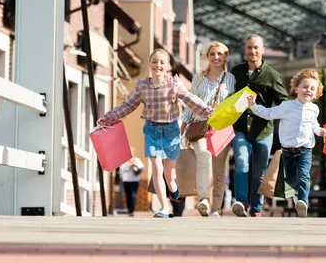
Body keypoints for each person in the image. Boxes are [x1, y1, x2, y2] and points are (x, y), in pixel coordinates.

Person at [98, 48, 213, 218]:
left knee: (170, 174)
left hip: (171, 131)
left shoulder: (174, 84)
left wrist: (206, 111)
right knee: (157, 169)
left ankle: (173, 187)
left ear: (167, 66)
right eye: (154, 61)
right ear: (150, 64)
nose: (158, 65)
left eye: (162, 62)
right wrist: (108, 118)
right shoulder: (142, 86)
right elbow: (127, 105)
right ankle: (164, 208)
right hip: (151, 130)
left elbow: (189, 98)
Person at [246, 68, 326, 218]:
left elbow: (314, 125)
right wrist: (253, 106)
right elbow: (268, 113)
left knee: (304, 176)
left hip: (305, 149)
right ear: (297, 89)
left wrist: (320, 131)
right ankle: (297, 194)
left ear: (316, 94)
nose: (308, 90)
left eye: (312, 88)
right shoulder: (286, 106)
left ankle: (302, 201)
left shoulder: (314, 109)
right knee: (290, 179)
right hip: (288, 151)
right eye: (305, 87)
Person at [230, 35, 288, 217]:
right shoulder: (236, 72)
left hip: (264, 130)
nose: (252, 51)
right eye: (249, 48)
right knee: (241, 163)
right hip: (240, 127)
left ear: (262, 50)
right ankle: (241, 202)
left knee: (259, 173)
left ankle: (256, 208)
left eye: (256, 48)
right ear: (244, 49)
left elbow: (283, 103)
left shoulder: (272, 75)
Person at [181, 41, 236, 217]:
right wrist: (183, 127)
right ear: (207, 56)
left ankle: (216, 209)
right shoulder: (198, 78)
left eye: (220, 54)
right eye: (212, 54)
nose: (216, 57)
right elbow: (190, 103)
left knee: (220, 171)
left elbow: (233, 105)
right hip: (200, 127)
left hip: (221, 128)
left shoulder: (231, 79)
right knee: (204, 157)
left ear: (225, 57)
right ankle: (204, 199)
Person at [119, 147, 145, 217]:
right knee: (127, 195)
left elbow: (142, 168)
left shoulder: (136, 160)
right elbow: (121, 170)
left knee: (133, 195)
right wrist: (129, 166)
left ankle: (132, 210)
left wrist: (135, 165)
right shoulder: (124, 160)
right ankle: (129, 210)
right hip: (126, 181)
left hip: (134, 181)